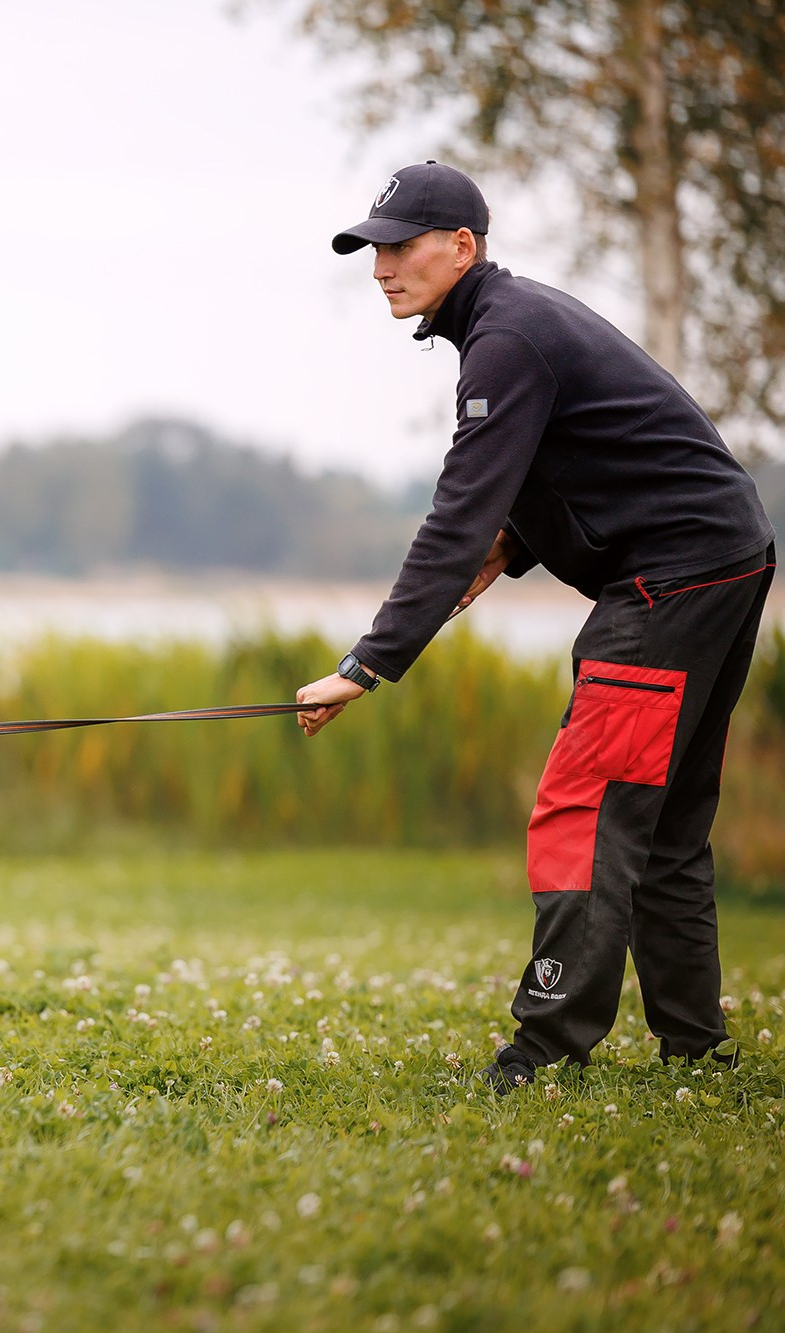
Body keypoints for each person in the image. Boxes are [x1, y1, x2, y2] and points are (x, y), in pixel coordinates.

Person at [294, 160, 776, 1092]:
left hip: (672, 578)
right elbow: (576, 467)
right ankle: (696, 1044)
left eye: (399, 247)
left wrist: (366, 664)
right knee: (666, 820)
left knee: (587, 808)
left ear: (462, 246)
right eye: (373, 250)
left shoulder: (507, 339)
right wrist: (511, 548)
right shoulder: (512, 325)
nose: (382, 266)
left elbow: (457, 513)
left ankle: (547, 1047)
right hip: (722, 555)